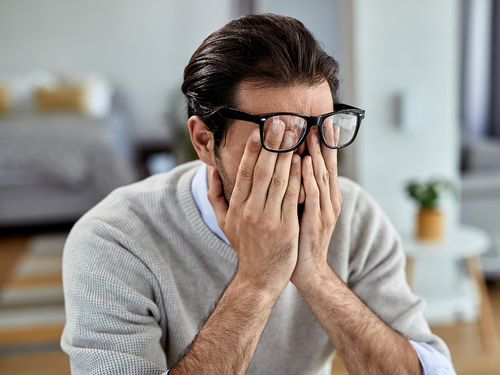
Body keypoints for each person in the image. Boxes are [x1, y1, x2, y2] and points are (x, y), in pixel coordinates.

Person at [61, 13, 457, 375]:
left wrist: (316, 274)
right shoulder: (113, 238)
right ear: (203, 140)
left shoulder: (354, 216)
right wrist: (257, 281)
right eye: (277, 136)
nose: (305, 162)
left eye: (321, 130)